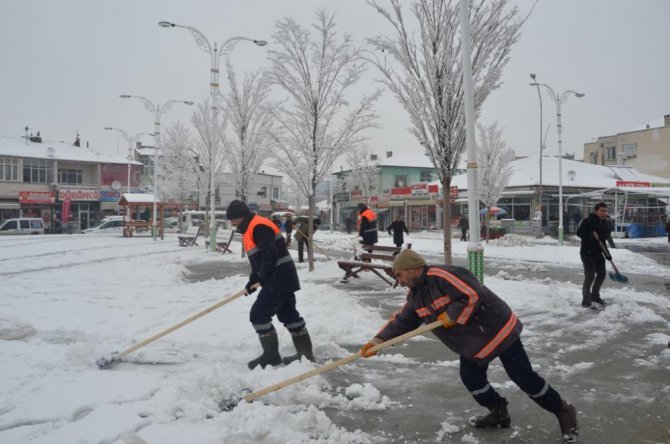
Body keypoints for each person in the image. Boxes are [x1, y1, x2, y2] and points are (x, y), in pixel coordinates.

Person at [360, 250, 579, 443]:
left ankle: (563, 411)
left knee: (522, 376)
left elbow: (473, 294)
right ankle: (498, 410)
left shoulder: (441, 275)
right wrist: (377, 342)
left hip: (496, 329)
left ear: (413, 268)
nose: (399, 281)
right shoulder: (416, 296)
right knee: (471, 378)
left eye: (399, 275)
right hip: (472, 341)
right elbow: (402, 321)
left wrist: (452, 315)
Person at [226, 200, 315, 369]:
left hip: (278, 279)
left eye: (233, 219)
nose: (232, 223)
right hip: (280, 278)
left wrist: (261, 276)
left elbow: (270, 254)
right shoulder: (251, 227)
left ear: (240, 216)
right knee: (289, 315)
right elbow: (259, 260)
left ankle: (272, 356)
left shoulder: (259, 226)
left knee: (258, 315)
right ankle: (305, 356)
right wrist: (253, 279)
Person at [577, 202, 615, 308]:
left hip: (598, 253)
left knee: (602, 274)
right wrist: (590, 236)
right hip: (588, 253)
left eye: (605, 210)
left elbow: (602, 241)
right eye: (602, 211)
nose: (604, 213)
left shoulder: (604, 223)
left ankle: (595, 296)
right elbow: (579, 233)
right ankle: (586, 300)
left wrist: (607, 254)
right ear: (596, 211)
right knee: (590, 276)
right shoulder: (588, 221)